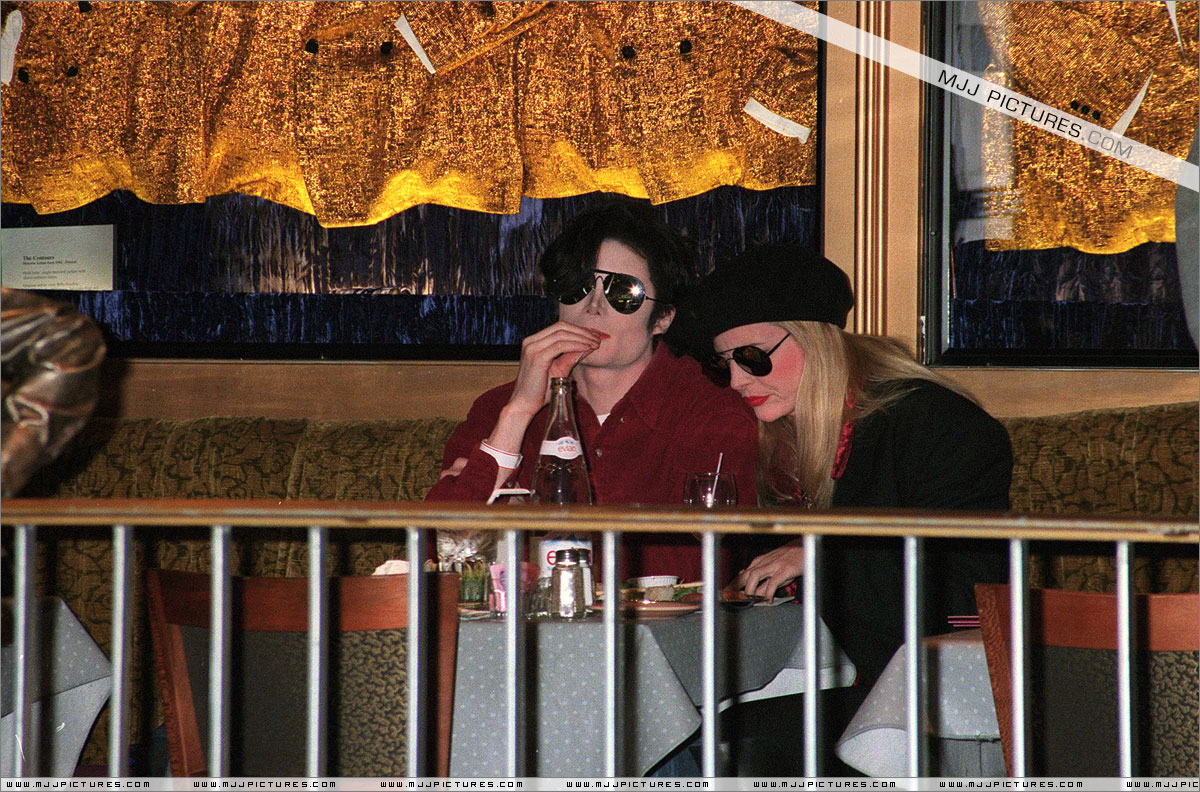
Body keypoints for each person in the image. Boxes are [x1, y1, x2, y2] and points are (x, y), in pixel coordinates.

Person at [666, 242, 1011, 774]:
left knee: (726, 743)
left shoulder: (937, 423)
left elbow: (966, 592)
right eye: (723, 366)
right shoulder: (792, 437)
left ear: (815, 339)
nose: (736, 381)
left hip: (949, 692)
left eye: (752, 357)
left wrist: (822, 552)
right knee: (694, 731)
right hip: (864, 677)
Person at [425, 200, 757, 581]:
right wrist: (518, 413)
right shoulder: (499, 408)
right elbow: (439, 551)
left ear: (663, 318)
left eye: (623, 292)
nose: (593, 306)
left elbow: (699, 568)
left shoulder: (711, 411)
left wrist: (528, 550)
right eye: (577, 287)